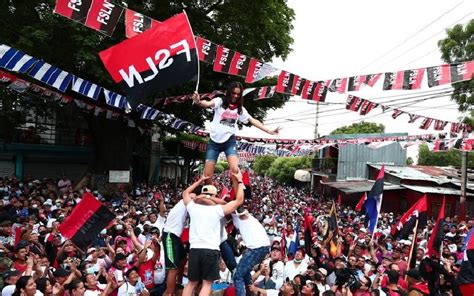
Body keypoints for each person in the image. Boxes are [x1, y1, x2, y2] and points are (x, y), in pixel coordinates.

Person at [192, 81, 279, 180]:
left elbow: (253, 120)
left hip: (229, 142)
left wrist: (269, 131)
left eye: (238, 94)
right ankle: (210, 194)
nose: (235, 96)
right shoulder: (220, 101)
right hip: (214, 142)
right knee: (207, 176)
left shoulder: (240, 109)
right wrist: (198, 102)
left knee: (235, 170)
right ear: (229, 92)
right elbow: (208, 103)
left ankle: (238, 195)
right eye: (233, 93)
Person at [182, 171, 245, 296]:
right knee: (207, 284)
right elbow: (239, 200)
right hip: (210, 250)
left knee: (191, 283)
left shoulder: (192, 207)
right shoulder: (218, 210)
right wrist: (239, 180)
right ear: (214, 196)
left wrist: (199, 181)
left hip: (194, 249)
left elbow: (185, 193)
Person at [231, 207, 270, 295]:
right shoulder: (236, 217)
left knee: (238, 276)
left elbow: (243, 213)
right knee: (245, 272)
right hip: (260, 248)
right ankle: (250, 293)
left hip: (256, 248)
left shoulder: (247, 217)